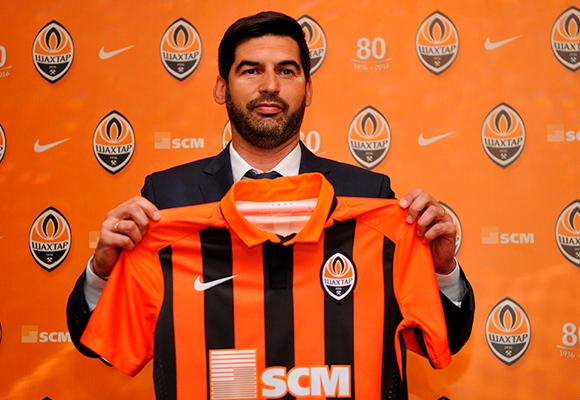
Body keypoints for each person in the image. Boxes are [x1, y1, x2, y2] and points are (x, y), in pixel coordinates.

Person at [67, 8, 474, 393]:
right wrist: (102, 272)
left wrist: (442, 271)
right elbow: (100, 344)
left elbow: (443, 339)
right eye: (251, 70)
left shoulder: (368, 195)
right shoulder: (166, 201)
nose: (270, 86)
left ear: (308, 90)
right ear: (221, 87)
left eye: (286, 70)